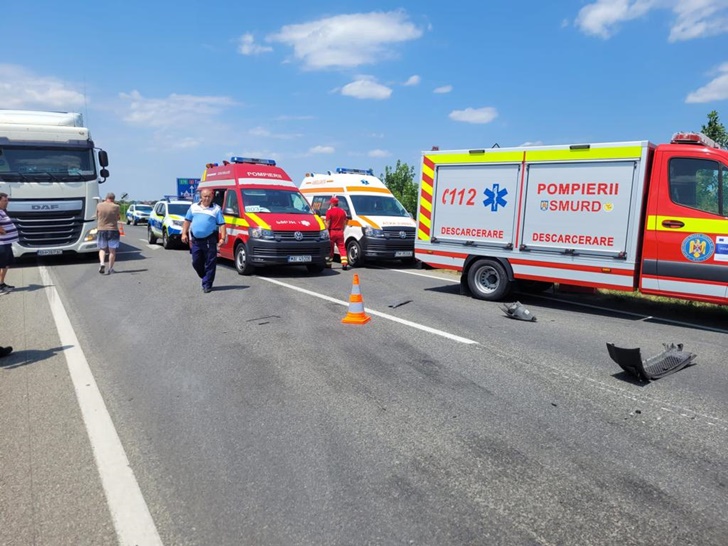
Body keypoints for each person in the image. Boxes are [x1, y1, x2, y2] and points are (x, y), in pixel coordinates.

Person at [181, 189, 225, 293]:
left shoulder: (216, 209)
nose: (207, 198)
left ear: (212, 197)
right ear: (201, 197)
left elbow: (222, 224)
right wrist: (184, 233)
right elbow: (187, 221)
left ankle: (207, 284)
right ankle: (205, 276)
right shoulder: (193, 207)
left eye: (209, 196)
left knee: (210, 263)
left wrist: (223, 238)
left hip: (209, 240)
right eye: (205, 196)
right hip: (196, 240)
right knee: (196, 262)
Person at [96, 192, 121, 275]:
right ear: (113, 199)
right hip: (113, 230)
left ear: (106, 197)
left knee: (102, 249)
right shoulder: (116, 207)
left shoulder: (99, 205)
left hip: (101, 229)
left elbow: (97, 216)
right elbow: (118, 218)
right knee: (112, 250)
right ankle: (110, 268)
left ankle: (102, 263)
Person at [0, 192, 19, 295]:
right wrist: (3, 231)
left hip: (7, 243)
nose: (7, 202)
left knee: (6, 264)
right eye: (5, 200)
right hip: (2, 243)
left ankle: (2, 283)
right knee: (1, 265)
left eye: (7, 200)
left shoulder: (3, 211)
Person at [325, 196, 349, 270]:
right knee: (342, 248)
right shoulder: (342, 212)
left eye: (330, 203)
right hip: (340, 232)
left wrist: (325, 229)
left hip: (332, 232)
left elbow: (328, 224)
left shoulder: (329, 212)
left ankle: (329, 264)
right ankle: (344, 264)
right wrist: (342, 230)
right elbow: (344, 223)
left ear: (332, 204)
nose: (330, 204)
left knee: (330, 249)